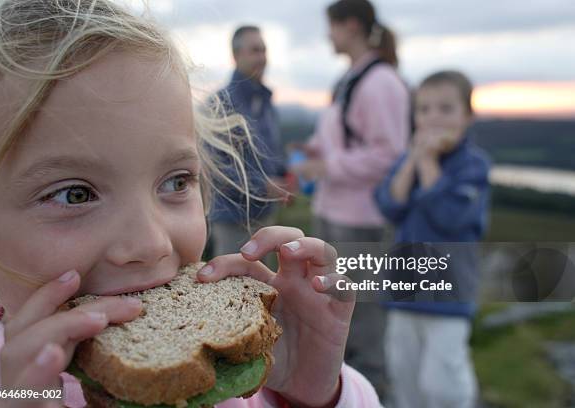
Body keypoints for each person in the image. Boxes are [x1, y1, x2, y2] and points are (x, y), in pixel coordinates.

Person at [0, 1, 383, 407]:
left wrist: (310, 391)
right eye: (75, 194)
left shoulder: (229, 374)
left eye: (177, 181)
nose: (151, 244)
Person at [289, 0, 409, 400]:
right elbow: (346, 144)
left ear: (352, 26)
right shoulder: (351, 79)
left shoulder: (382, 82)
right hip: (336, 212)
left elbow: (389, 154)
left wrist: (327, 167)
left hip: (361, 217)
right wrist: (314, 153)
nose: (328, 35)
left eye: (332, 27)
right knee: (338, 316)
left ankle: (375, 395)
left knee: (365, 322)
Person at [375, 70, 491, 408]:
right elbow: (389, 204)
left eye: (445, 109)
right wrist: (412, 159)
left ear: (467, 116)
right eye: (424, 110)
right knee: (404, 374)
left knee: (442, 381)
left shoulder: (474, 167)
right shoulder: (407, 161)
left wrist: (426, 161)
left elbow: (450, 217)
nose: (433, 118)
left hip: (449, 295)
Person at [209, 25, 290, 257]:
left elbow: (269, 154)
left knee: (266, 289)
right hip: (233, 221)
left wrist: (285, 172)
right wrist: (263, 186)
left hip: (266, 216)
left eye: (264, 50)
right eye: (255, 50)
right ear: (236, 56)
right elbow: (216, 168)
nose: (262, 57)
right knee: (234, 288)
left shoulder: (266, 101)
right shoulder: (221, 104)